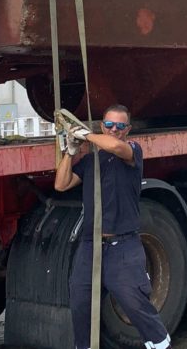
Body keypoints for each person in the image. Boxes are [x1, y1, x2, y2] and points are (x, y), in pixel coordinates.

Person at [55, 104, 170, 349]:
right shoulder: (90, 161)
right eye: (109, 125)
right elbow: (61, 184)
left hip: (123, 245)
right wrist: (70, 151)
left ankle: (161, 344)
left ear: (127, 130)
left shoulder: (133, 152)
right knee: (80, 303)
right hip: (91, 245)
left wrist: (85, 136)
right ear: (101, 126)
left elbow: (116, 147)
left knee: (134, 303)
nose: (114, 130)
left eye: (119, 126)